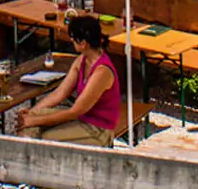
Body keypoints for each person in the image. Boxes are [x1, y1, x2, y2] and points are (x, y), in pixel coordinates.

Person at [18, 15, 121, 147]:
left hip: (98, 128)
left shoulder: (102, 72)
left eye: (73, 39)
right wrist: (31, 113)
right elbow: (59, 94)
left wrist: (35, 121)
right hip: (81, 119)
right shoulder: (81, 60)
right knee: (28, 123)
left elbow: (75, 111)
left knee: (45, 137)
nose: (71, 41)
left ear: (83, 44)